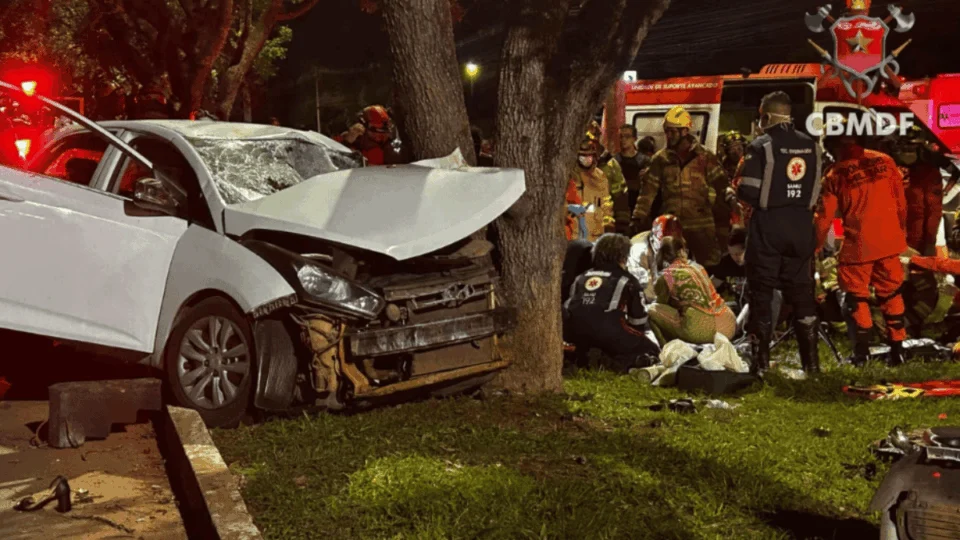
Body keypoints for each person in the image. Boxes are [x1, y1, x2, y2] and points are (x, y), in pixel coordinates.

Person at [737, 91, 822, 375]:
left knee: (761, 294)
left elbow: (748, 190)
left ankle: (760, 365)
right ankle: (812, 365)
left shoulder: (761, 146)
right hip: (801, 227)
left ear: (767, 116)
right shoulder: (811, 146)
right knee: (802, 295)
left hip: (769, 228)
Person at [816, 118, 907, 367]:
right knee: (891, 294)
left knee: (857, 298)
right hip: (890, 242)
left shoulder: (834, 175)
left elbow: (825, 219)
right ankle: (897, 351)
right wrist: (900, 233)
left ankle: (861, 354)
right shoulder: (885, 161)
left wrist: (813, 247)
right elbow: (901, 202)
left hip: (858, 247)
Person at [630, 106, 725, 269]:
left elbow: (722, 186)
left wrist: (725, 222)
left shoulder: (705, 156)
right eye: (667, 131)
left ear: (685, 131)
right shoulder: (661, 159)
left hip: (701, 226)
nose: (669, 136)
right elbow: (648, 192)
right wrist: (638, 217)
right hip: (672, 225)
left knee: (709, 266)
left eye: (673, 131)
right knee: (671, 267)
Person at [563, 233, 660, 372]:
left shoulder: (581, 277)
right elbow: (638, 321)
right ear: (623, 256)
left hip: (574, 333)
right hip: (609, 332)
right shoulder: (627, 280)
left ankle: (585, 356)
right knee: (650, 348)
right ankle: (614, 362)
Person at [647, 236, 736, 345]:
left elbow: (661, 304)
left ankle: (667, 351)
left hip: (700, 331)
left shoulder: (668, 275)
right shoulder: (698, 267)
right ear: (683, 251)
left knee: (651, 310)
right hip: (728, 326)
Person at [895, 126, 943, 256]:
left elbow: (933, 212)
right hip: (890, 238)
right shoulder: (891, 170)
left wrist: (929, 243)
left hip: (915, 241)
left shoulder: (928, 173)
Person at [568, 135, 615, 242]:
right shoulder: (569, 177)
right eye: (583, 156)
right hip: (574, 235)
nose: (586, 159)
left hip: (596, 236)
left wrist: (609, 226)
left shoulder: (600, 176)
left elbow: (606, 204)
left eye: (589, 155)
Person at [627, 214, 683, 303]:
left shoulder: (679, 244)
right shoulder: (638, 250)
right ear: (654, 239)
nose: (670, 247)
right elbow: (643, 284)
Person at [335, 105, 402, 165]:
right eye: (374, 131)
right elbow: (329, 156)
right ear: (363, 127)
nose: (378, 137)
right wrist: (346, 142)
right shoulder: (350, 138)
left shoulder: (392, 148)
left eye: (383, 132)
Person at [615, 124, 652, 231]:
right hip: (620, 209)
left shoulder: (644, 161)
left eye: (627, 136)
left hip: (638, 208)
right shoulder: (614, 161)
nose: (623, 140)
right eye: (621, 137)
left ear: (634, 139)